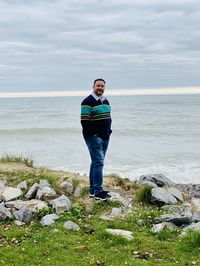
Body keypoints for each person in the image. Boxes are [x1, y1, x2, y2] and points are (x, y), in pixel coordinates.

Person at [81, 79, 112, 201]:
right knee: (98, 162)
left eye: (102, 86)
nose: (100, 87)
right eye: (98, 85)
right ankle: (98, 192)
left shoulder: (105, 100)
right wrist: (94, 135)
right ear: (93, 86)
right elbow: (84, 121)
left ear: (104, 87)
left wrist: (109, 131)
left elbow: (109, 118)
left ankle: (93, 190)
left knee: (96, 162)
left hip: (105, 136)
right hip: (94, 137)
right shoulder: (87, 101)